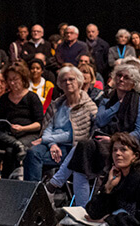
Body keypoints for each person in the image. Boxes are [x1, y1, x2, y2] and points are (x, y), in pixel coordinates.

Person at [24, 65, 98, 206]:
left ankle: (41, 197)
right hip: (53, 146)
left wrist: (46, 140)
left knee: (37, 151)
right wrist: (52, 144)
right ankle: (33, 196)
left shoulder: (89, 106)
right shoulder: (57, 104)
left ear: (79, 82)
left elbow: (72, 135)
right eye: (64, 80)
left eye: (71, 79)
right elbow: (48, 127)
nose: (68, 83)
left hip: (73, 149)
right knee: (32, 153)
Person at [68, 64, 140, 186]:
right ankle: (81, 202)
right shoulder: (106, 100)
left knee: (81, 151)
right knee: (81, 151)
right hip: (103, 142)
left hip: (131, 146)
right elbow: (100, 121)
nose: (121, 79)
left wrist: (114, 140)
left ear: (134, 83)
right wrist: (117, 105)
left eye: (126, 77)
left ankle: (54, 185)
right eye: (119, 75)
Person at [77, 133, 140, 226]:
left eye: (123, 150)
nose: (118, 154)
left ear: (135, 155)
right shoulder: (114, 175)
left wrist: (108, 219)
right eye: (114, 150)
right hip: (113, 225)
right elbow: (93, 212)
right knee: (69, 223)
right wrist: (108, 188)